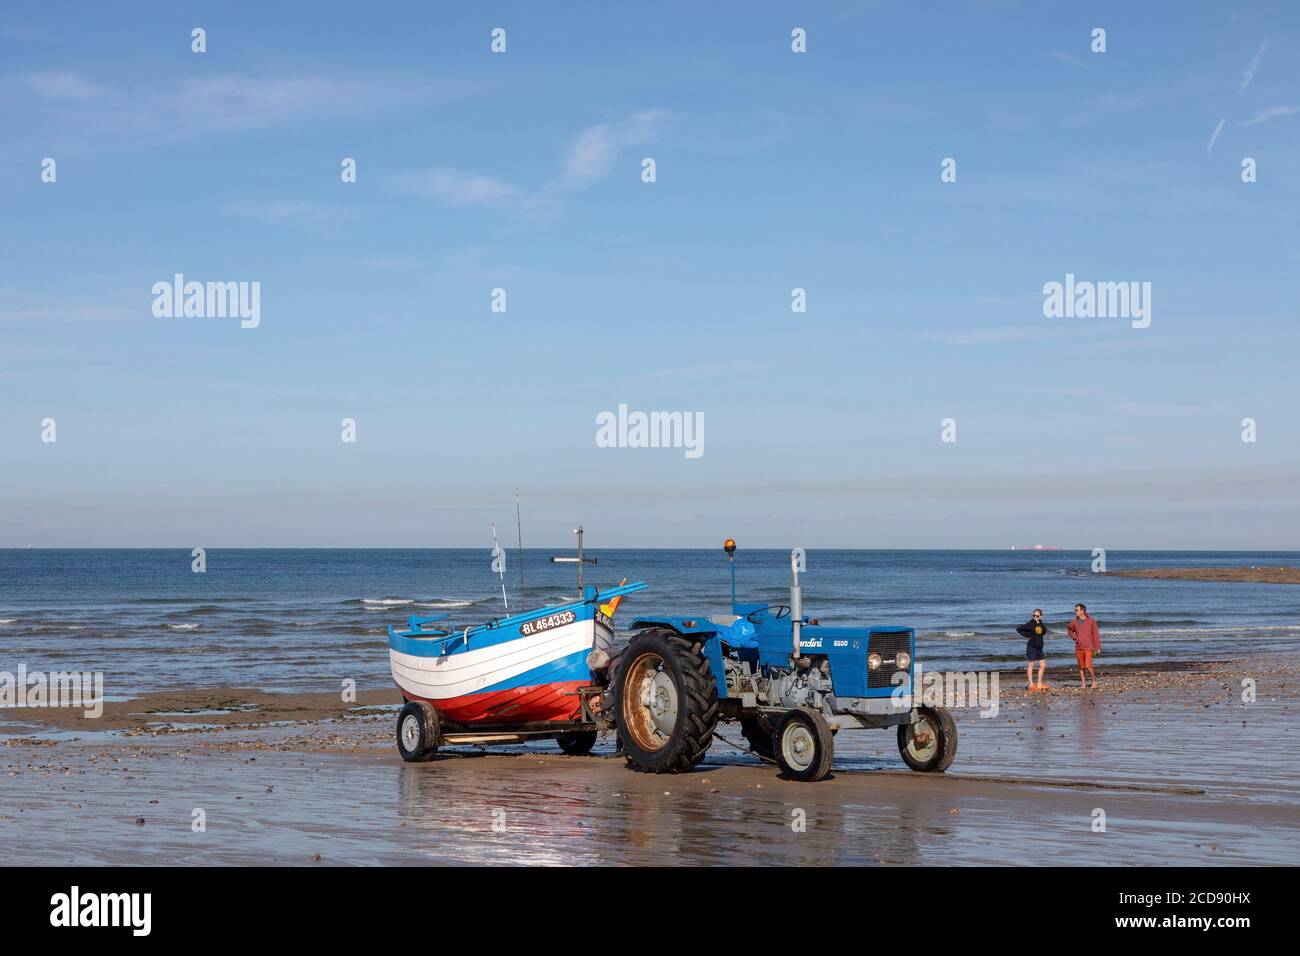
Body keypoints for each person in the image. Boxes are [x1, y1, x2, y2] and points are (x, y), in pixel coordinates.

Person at [1067, 603, 1101, 689]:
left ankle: (1094, 682)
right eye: (1075, 610)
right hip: (1079, 648)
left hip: (1089, 647)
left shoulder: (1091, 621)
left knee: (1088, 666)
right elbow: (1069, 630)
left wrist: (1098, 647)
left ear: (1082, 611)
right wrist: (1075, 638)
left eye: (1076, 610)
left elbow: (1095, 635)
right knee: (1081, 667)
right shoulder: (1074, 622)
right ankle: (1083, 684)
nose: (1075, 611)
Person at [1016, 608, 1050, 691]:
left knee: (1043, 665)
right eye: (1034, 615)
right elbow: (1019, 629)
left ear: (1040, 616)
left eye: (1037, 616)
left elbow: (1044, 631)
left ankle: (1039, 684)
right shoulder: (1030, 624)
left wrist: (1038, 638)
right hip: (1031, 647)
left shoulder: (1041, 624)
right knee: (1031, 665)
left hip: (1039, 647)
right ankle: (1031, 684)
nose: (1035, 617)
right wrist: (1028, 635)